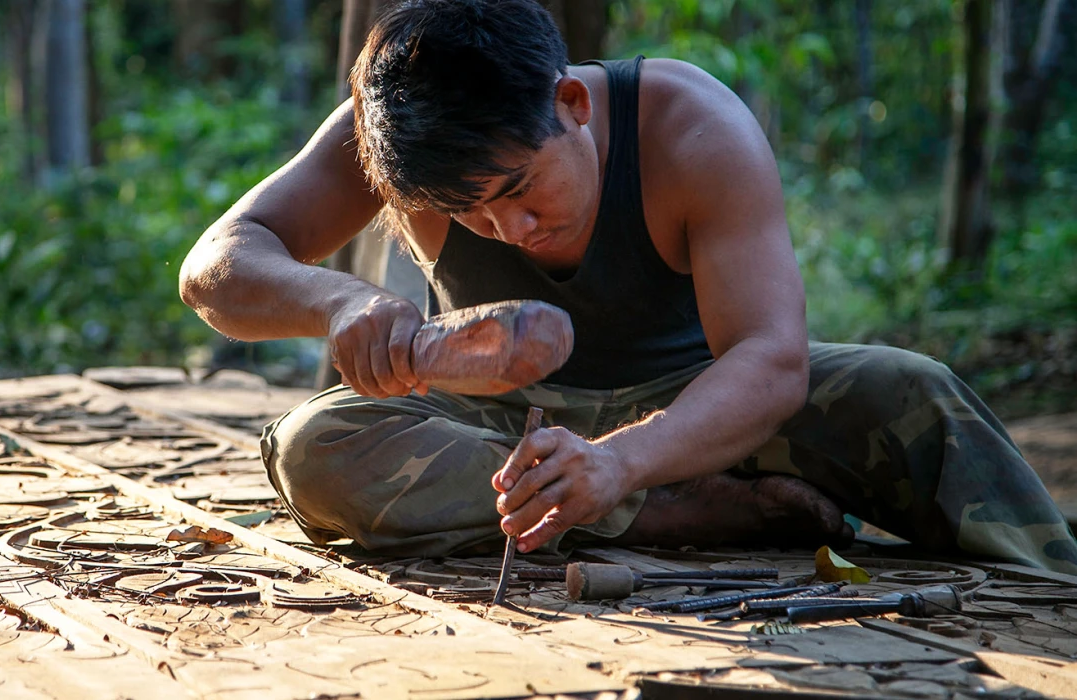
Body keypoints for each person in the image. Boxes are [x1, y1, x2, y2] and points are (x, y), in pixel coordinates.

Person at [178, 0, 1077, 572]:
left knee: (913, 391)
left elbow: (768, 363)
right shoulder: (386, 137)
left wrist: (622, 462)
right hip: (505, 432)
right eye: (473, 215)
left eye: (520, 191)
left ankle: (1051, 579)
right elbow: (215, 264)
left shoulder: (692, 128)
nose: (509, 232)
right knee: (316, 444)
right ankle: (668, 521)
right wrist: (339, 302)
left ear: (571, 103)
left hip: (702, 417)